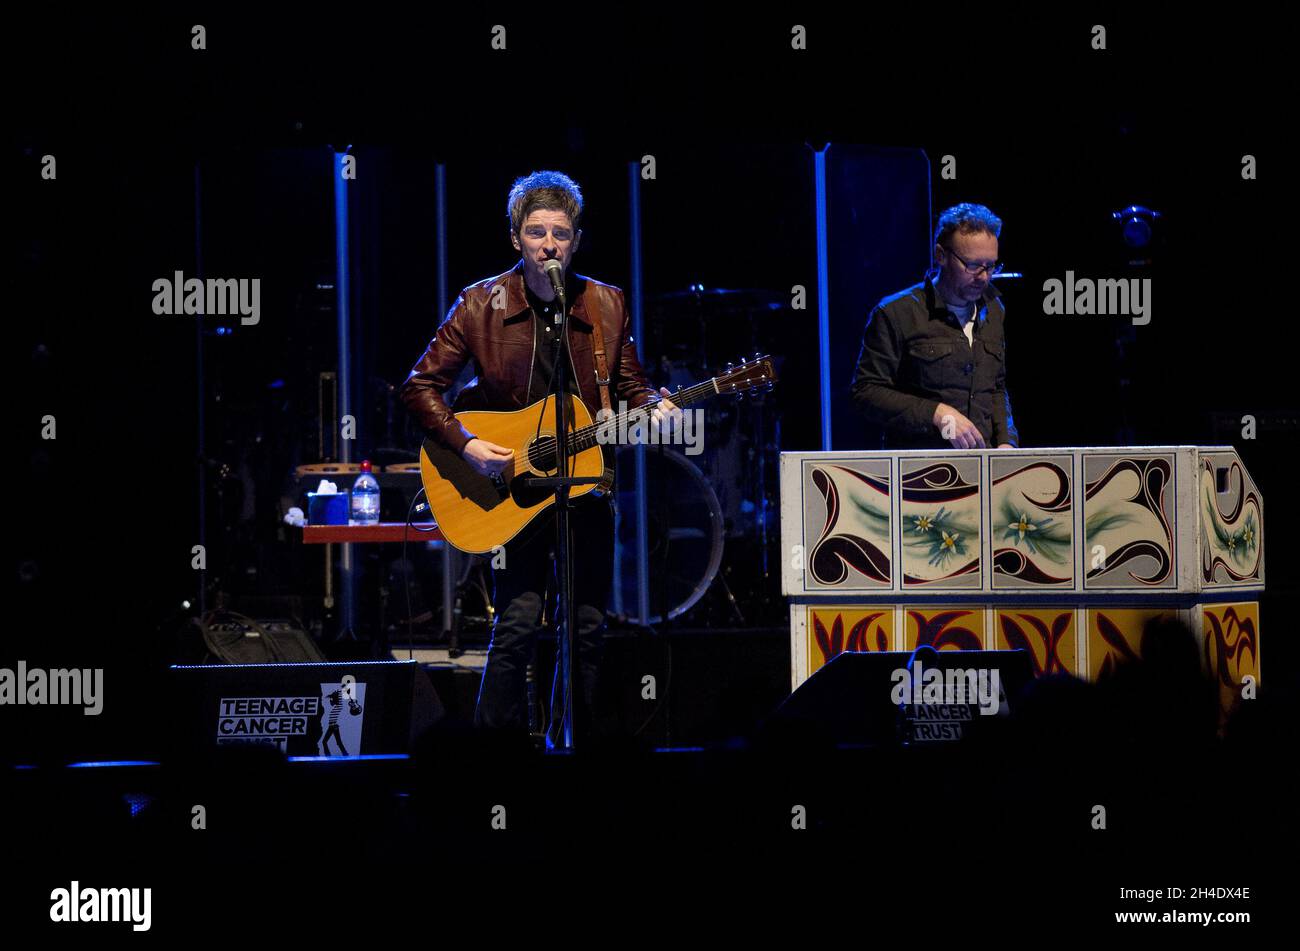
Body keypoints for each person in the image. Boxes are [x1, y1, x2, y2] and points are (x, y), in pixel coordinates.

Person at [399, 170, 678, 739]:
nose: (549, 245)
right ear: (515, 238)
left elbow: (630, 383)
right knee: (519, 625)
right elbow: (419, 386)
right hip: (512, 488)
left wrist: (654, 405)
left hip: (584, 484)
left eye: (560, 233)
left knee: (588, 626)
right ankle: (492, 755)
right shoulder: (481, 304)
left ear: (575, 239)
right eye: (536, 233)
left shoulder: (605, 303)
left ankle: (568, 744)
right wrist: (469, 444)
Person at [850, 202, 1019, 449]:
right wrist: (937, 414)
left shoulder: (994, 308)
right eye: (972, 265)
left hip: (982, 467)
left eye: (991, 266)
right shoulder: (896, 313)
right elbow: (866, 392)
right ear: (940, 255)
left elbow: (996, 388)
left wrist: (1007, 441)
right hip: (921, 471)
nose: (983, 276)